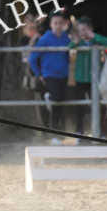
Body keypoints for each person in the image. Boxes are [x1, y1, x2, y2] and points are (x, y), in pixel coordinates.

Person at [28, 11, 70, 141]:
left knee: (61, 104)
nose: (58, 26)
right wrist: (39, 74)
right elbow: (32, 59)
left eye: (60, 23)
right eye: (55, 23)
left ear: (64, 24)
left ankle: (60, 134)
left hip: (64, 75)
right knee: (56, 102)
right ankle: (54, 134)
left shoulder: (66, 39)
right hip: (50, 75)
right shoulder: (45, 39)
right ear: (51, 24)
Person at [68, 16, 107, 137]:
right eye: (80, 30)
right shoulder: (78, 42)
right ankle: (79, 132)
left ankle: (100, 132)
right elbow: (69, 47)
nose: (83, 33)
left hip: (95, 79)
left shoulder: (96, 40)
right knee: (80, 106)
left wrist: (93, 36)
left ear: (91, 29)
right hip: (80, 78)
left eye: (85, 29)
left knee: (98, 105)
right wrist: (75, 42)